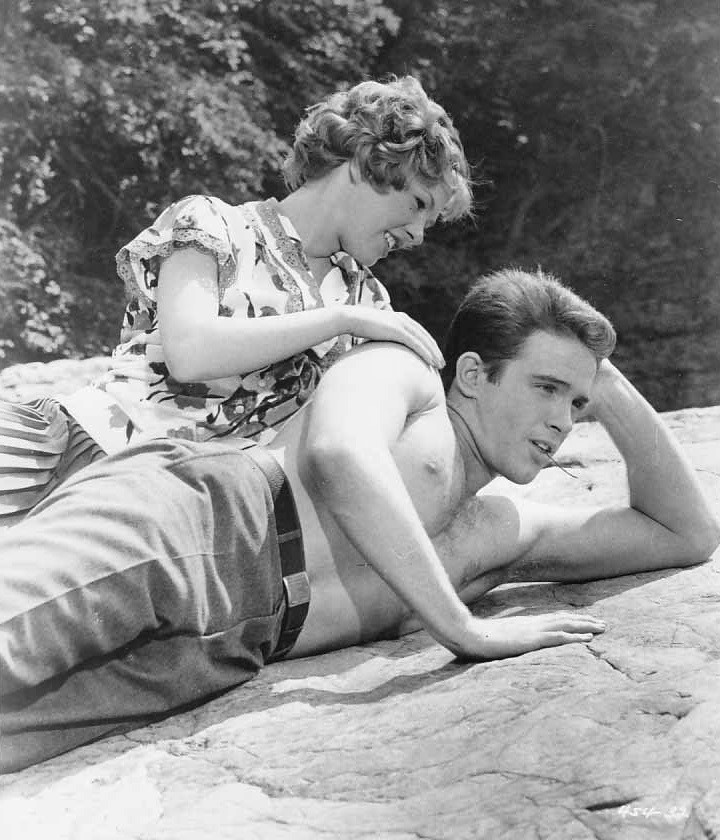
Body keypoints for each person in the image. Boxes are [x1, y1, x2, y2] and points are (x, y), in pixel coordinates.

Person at [1, 269, 717, 772]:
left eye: (576, 403)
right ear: (473, 374)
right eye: (547, 388)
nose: (562, 420)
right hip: (199, 524)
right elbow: (340, 455)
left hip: (228, 649)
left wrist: (604, 380)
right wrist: (463, 628)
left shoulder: (498, 531)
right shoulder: (404, 375)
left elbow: (685, 534)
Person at [0, 75, 472, 526]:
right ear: (364, 163)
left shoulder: (369, 301)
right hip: (87, 454)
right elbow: (191, 353)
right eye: (418, 204)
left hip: (184, 511)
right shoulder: (214, 224)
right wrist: (338, 320)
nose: (417, 235)